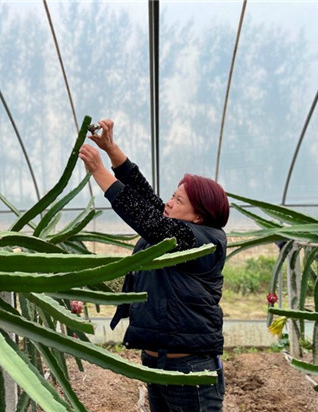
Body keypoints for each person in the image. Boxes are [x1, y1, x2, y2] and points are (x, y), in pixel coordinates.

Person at [78, 119, 229, 412]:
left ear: (199, 216)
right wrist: (112, 150)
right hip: (156, 366)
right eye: (173, 195)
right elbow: (146, 198)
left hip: (190, 371)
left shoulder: (202, 241)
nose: (168, 203)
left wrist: (99, 171)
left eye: (177, 199)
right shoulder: (179, 228)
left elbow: (145, 216)